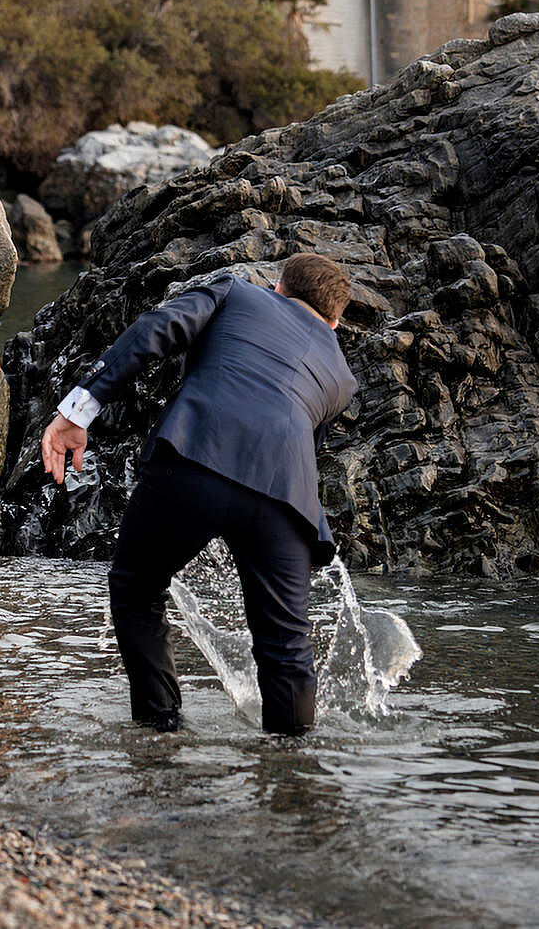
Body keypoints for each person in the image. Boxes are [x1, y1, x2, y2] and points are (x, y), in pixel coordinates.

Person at [40, 254, 357, 735]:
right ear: (334, 322)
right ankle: (295, 782)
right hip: (285, 496)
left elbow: (155, 331)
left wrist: (78, 412)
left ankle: (161, 731)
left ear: (277, 288)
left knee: (137, 588)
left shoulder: (237, 292)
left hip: (195, 457)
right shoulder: (341, 376)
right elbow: (306, 448)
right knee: (287, 647)